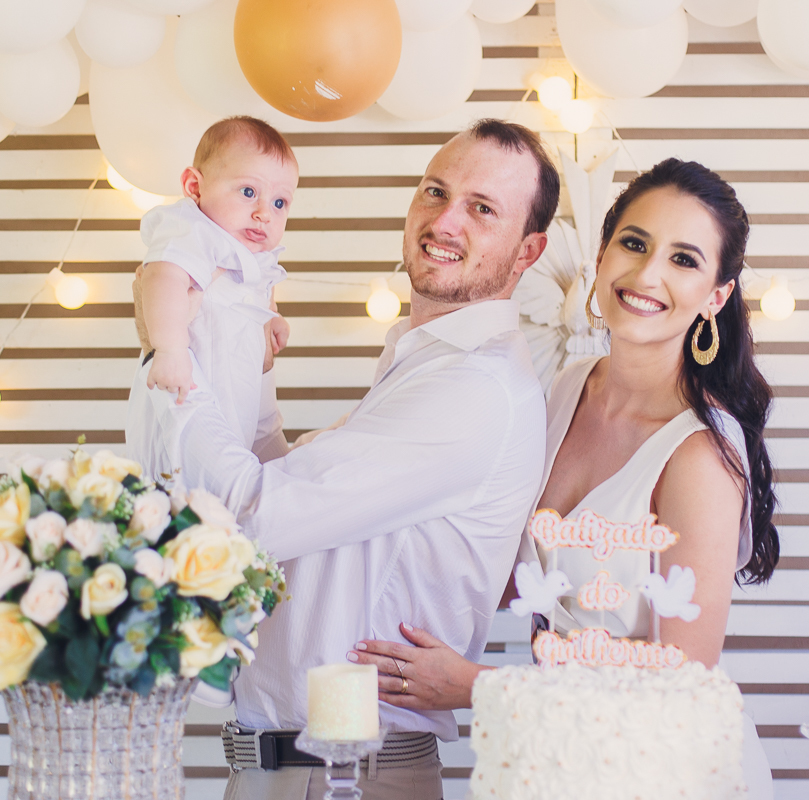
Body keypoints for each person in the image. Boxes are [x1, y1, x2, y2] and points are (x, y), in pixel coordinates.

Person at [139, 119, 561, 800]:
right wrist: (244, 358)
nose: (444, 220)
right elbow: (287, 497)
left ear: (528, 250)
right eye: (435, 191)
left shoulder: (473, 389)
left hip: (343, 779)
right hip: (287, 769)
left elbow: (249, 517)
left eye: (482, 209)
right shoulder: (422, 363)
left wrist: (172, 364)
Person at [350, 158, 781, 798]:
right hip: (554, 758)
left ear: (716, 296)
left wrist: (473, 685)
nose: (646, 274)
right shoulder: (565, 388)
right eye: (634, 244)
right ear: (602, 257)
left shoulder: (700, 457)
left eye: (684, 260)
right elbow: (512, 571)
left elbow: (683, 685)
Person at [127, 116, 297, 480]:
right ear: (194, 186)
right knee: (183, 472)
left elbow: (262, 280)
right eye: (249, 191)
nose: (265, 213)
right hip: (186, 377)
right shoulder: (192, 230)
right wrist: (169, 350)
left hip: (240, 387)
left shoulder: (250, 247)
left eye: (280, 202)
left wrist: (273, 316)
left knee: (237, 453)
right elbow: (161, 278)